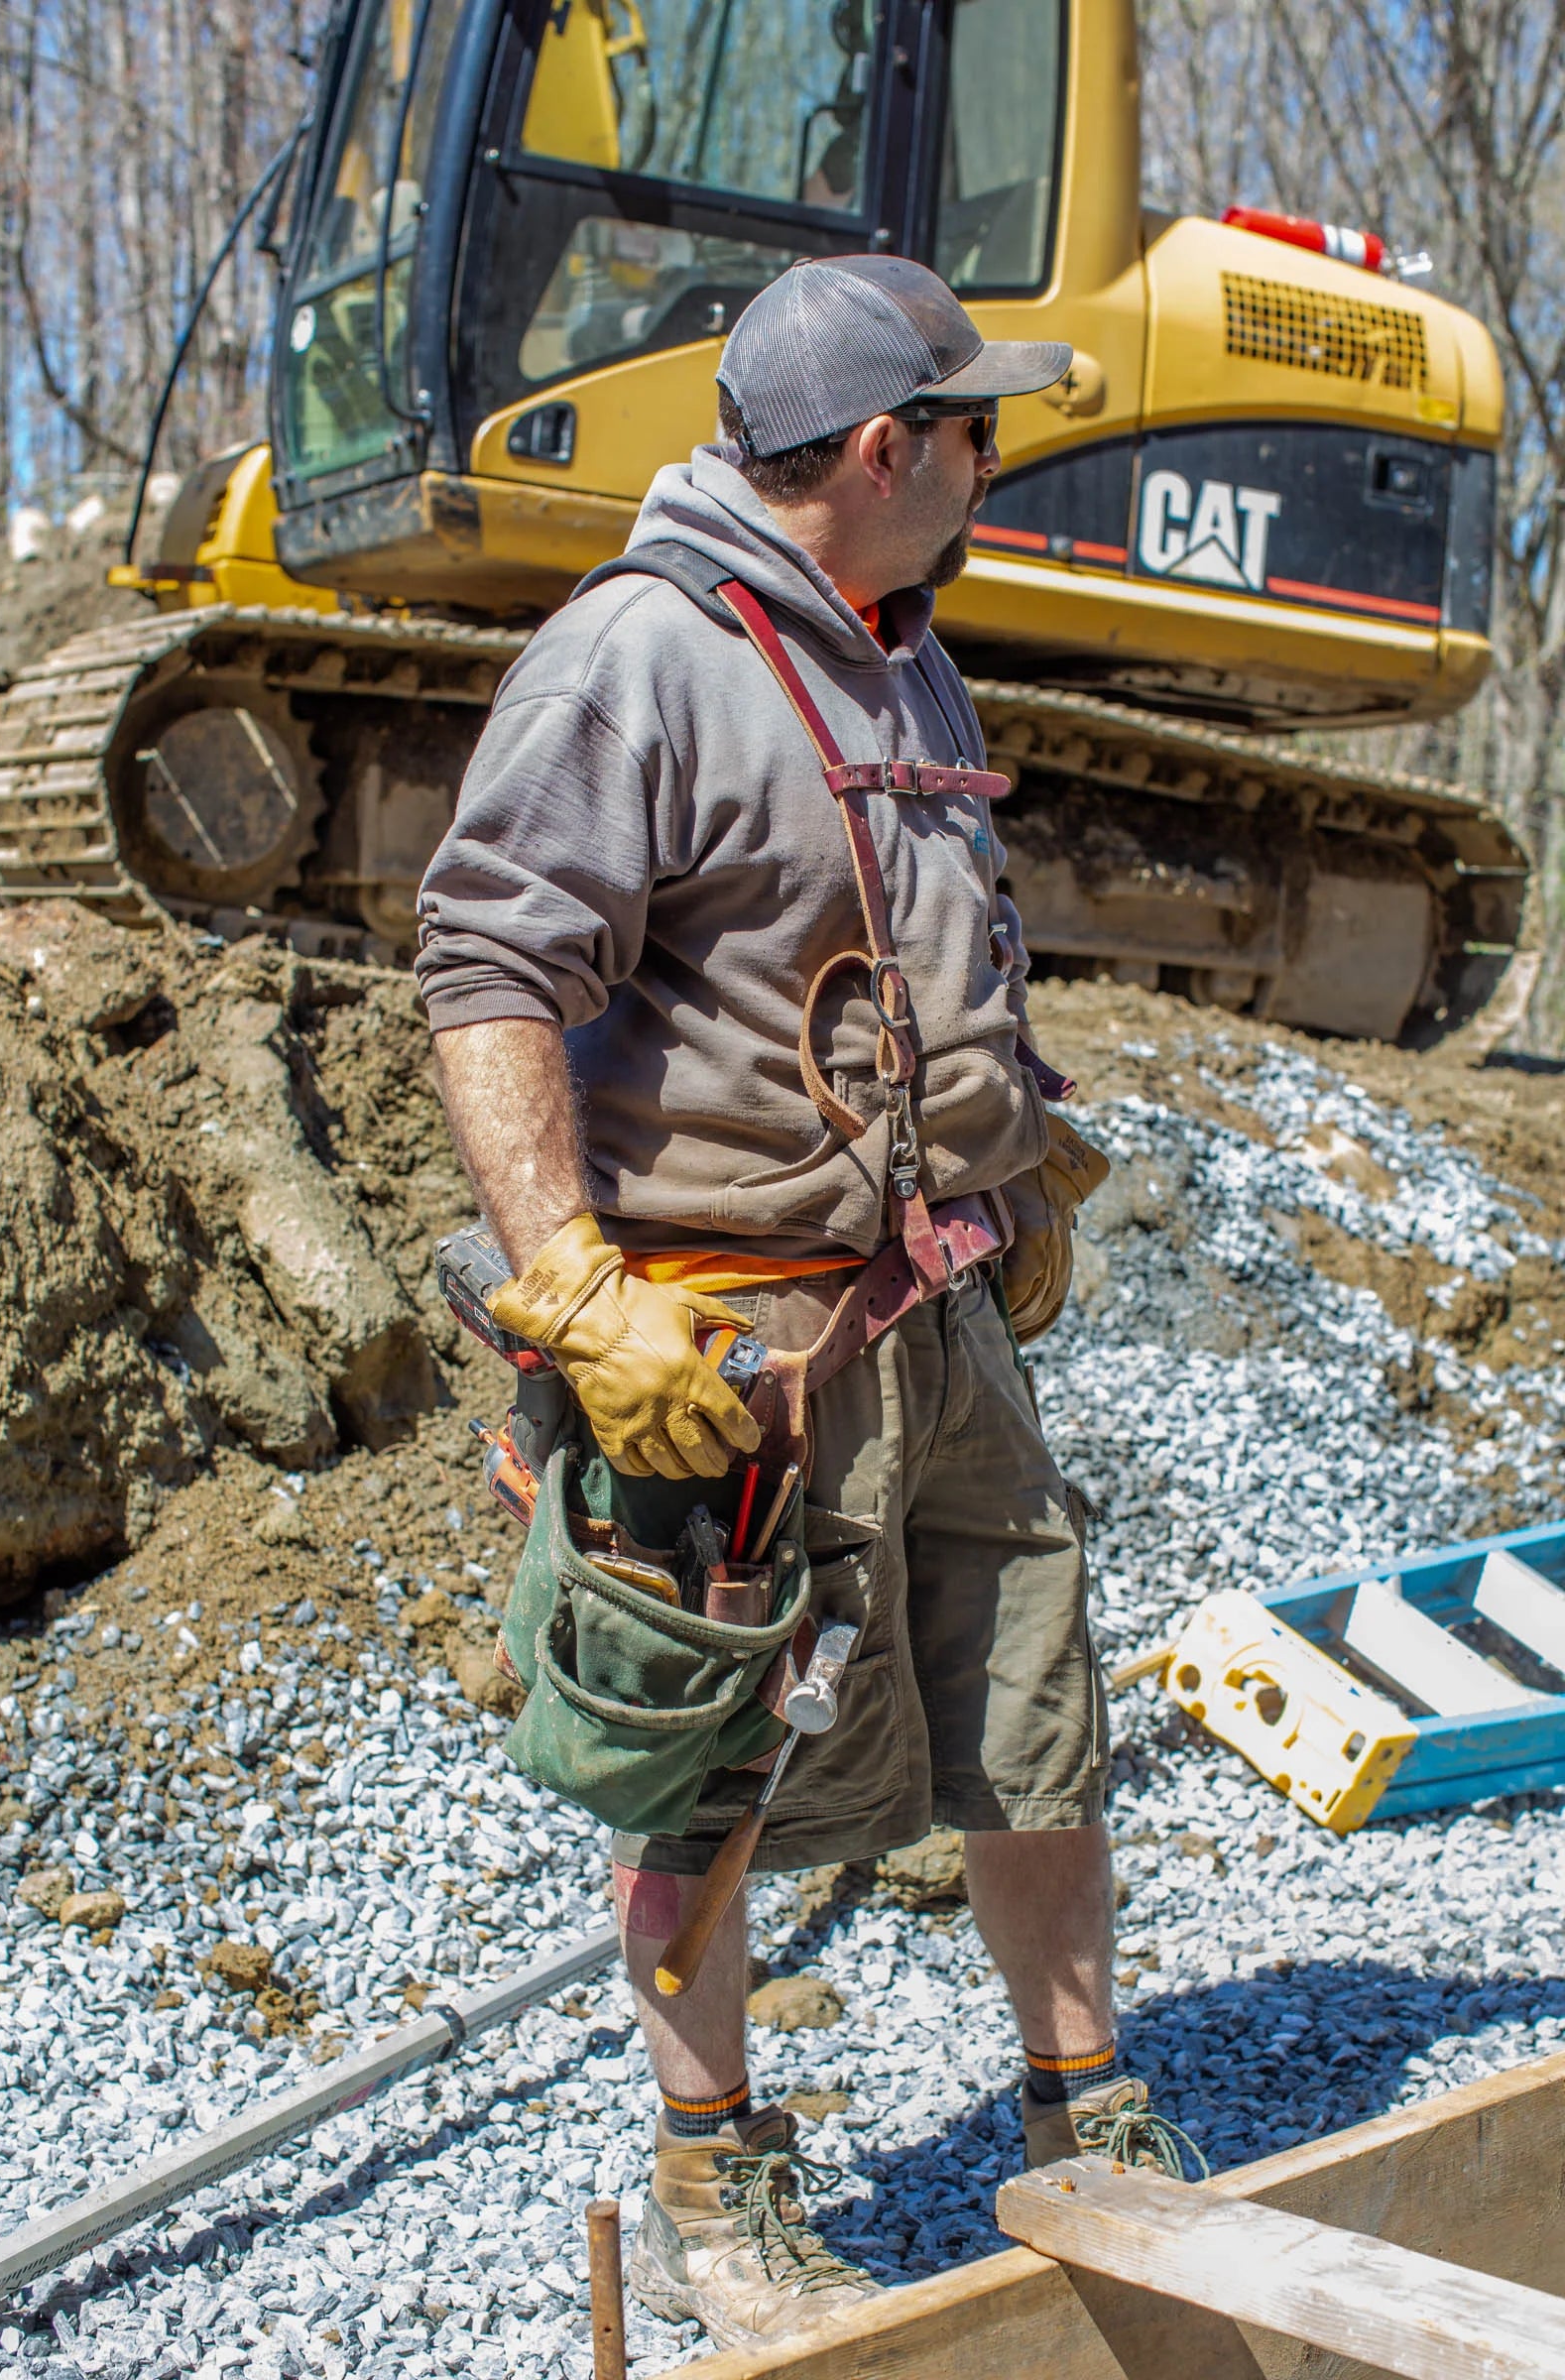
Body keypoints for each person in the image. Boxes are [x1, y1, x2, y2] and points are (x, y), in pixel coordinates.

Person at [416, 254, 1199, 2354]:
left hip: (931, 1315)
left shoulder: (895, 653)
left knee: (1033, 1703)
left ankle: (1083, 2104)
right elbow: (489, 974)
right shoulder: (637, 662)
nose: (987, 461)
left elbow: (934, 951)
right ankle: (713, 2182)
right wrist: (573, 1284)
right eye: (971, 430)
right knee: (708, 1763)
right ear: (880, 448)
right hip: (736, 1357)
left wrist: (1010, 1157)